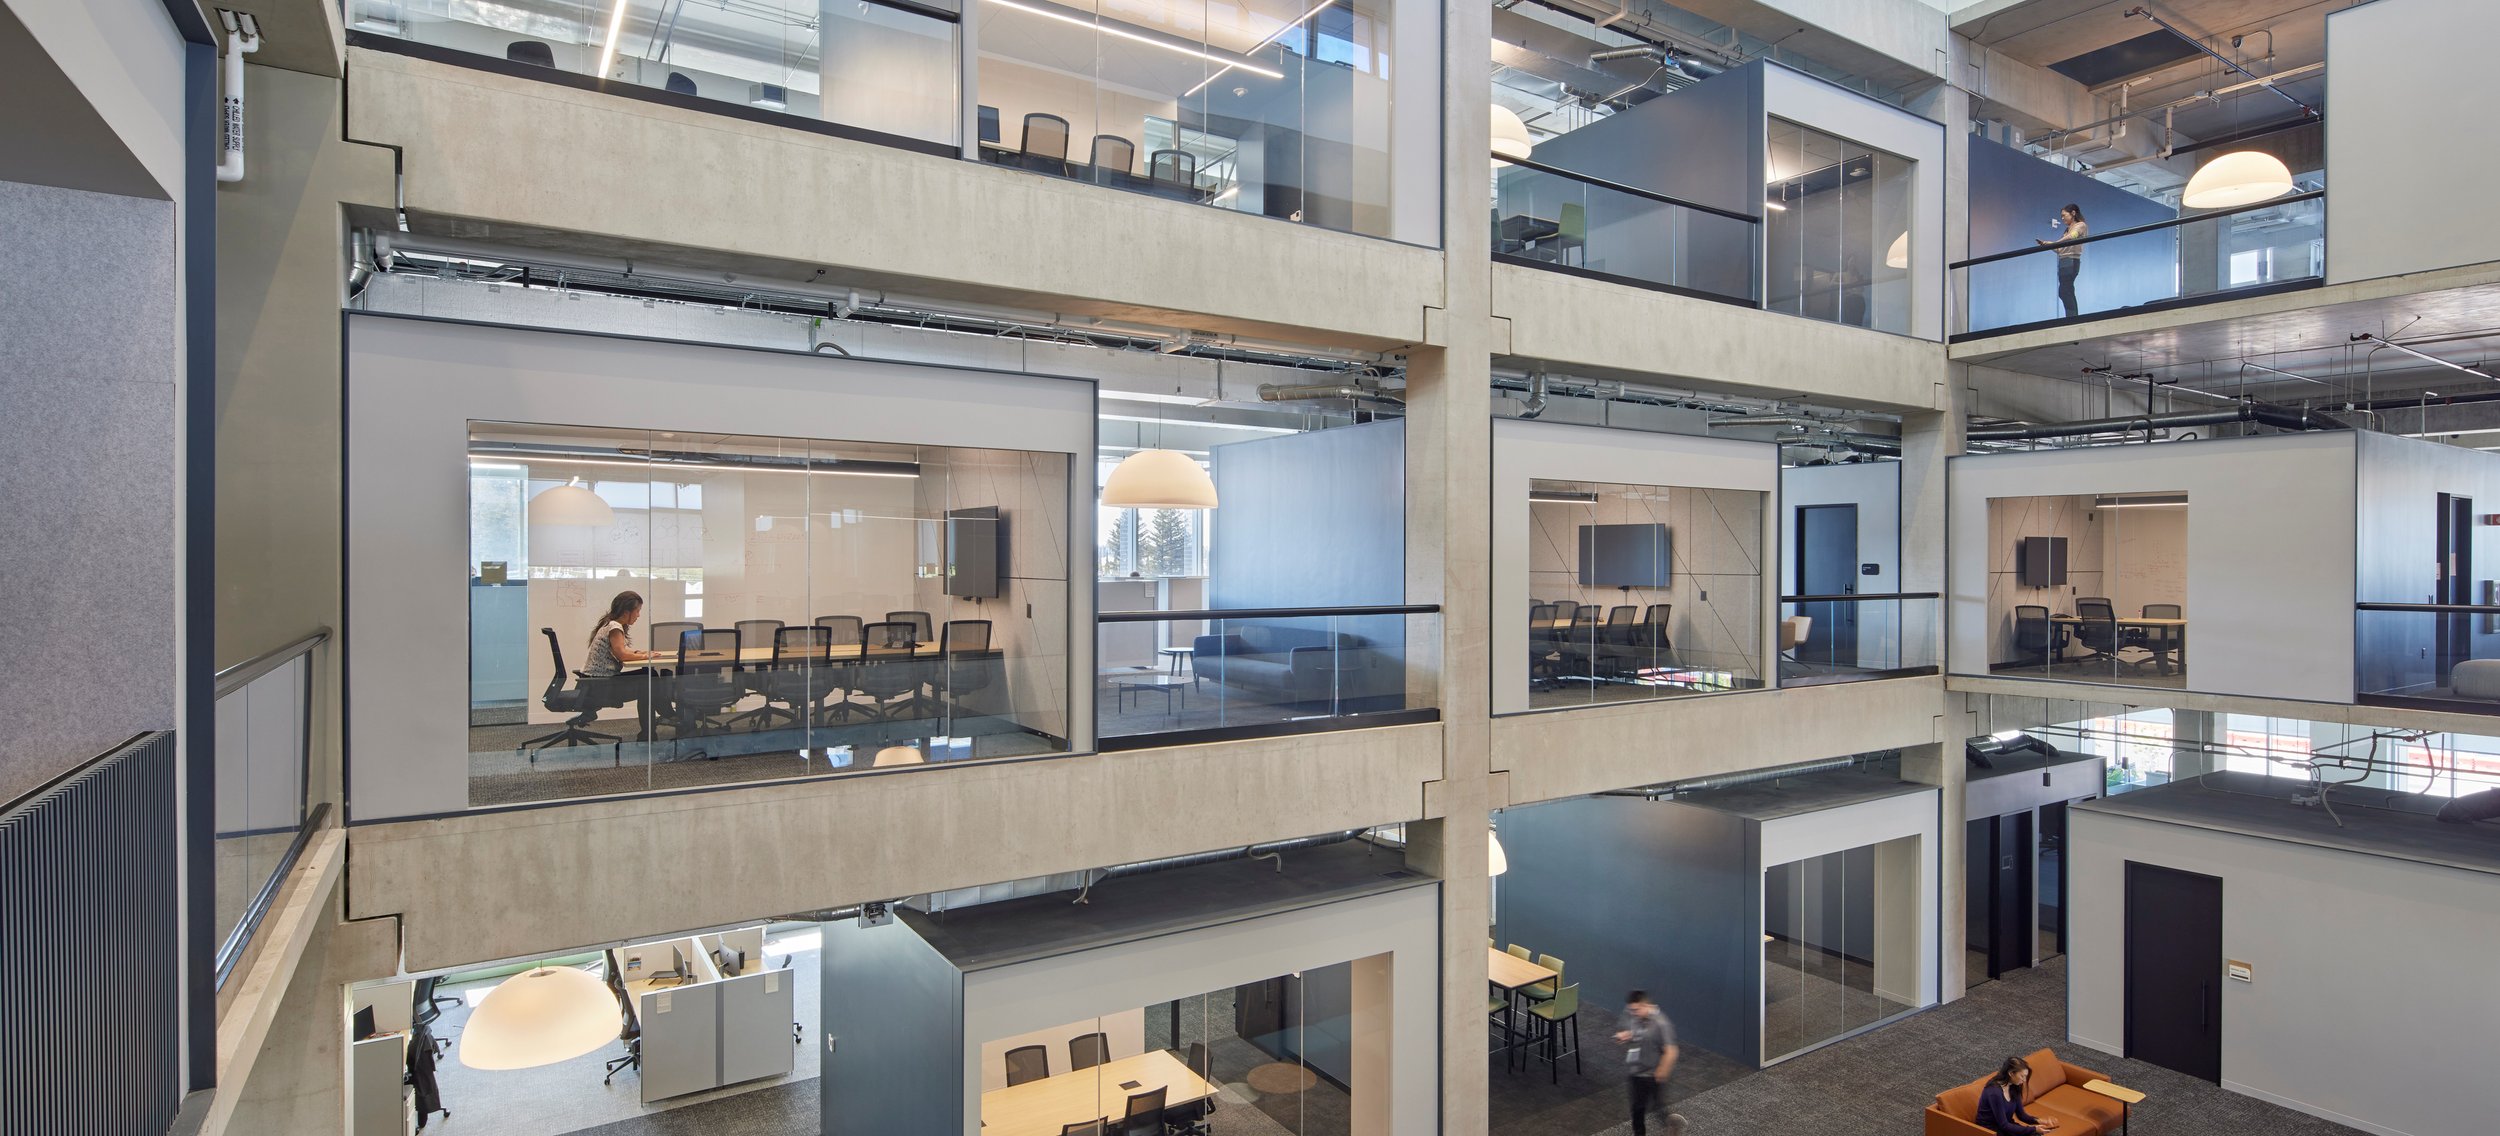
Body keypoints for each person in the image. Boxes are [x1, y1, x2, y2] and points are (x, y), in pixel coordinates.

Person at [1613, 990, 1685, 1136]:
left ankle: (1671, 1124)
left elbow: (1672, 1050)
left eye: (1636, 1010)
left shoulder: (1661, 1023)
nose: (1632, 1013)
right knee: (1638, 1109)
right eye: (1631, 1009)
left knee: (1655, 1105)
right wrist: (1626, 1035)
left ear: (1646, 1005)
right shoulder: (1632, 1012)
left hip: (1652, 1073)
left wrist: (1662, 1070)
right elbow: (1631, 1030)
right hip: (1635, 1070)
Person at [1976, 1055, 2062, 1135]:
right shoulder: (1994, 1092)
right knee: (2034, 1133)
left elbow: (2021, 1115)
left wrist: (2039, 1121)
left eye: (2025, 1076)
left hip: (2007, 1125)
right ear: (2011, 1073)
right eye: (2022, 1076)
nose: (2024, 1080)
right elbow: (2003, 1125)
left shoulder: (2014, 1086)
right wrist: (2033, 1129)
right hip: (1990, 1130)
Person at [583, 589, 658, 678]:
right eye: (637, 611)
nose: (638, 615)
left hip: (597, 678)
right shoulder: (614, 626)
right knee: (651, 675)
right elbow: (622, 655)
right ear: (626, 612)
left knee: (648, 672)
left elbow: (621, 651)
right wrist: (646, 656)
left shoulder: (609, 623)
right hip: (601, 680)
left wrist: (638, 653)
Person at [2035, 204, 2088, 319]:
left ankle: (2072, 318)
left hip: (2071, 261)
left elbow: (2072, 237)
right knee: (2064, 290)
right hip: (2063, 261)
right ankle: (2071, 317)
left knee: (2066, 289)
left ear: (2073, 213)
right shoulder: (2066, 231)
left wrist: (2055, 242)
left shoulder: (2080, 225)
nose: (2062, 218)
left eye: (2064, 215)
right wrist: (2047, 244)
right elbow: (2060, 249)